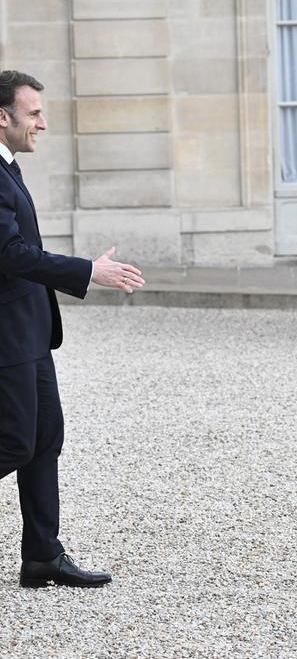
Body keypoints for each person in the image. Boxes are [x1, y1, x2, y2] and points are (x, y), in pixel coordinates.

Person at [0, 70, 145, 588]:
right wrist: (88, 271)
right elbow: (8, 254)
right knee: (14, 443)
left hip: (29, 330)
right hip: (7, 335)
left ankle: (42, 555)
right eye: (33, 113)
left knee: (44, 441)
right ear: (3, 117)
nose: (43, 122)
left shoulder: (8, 167)